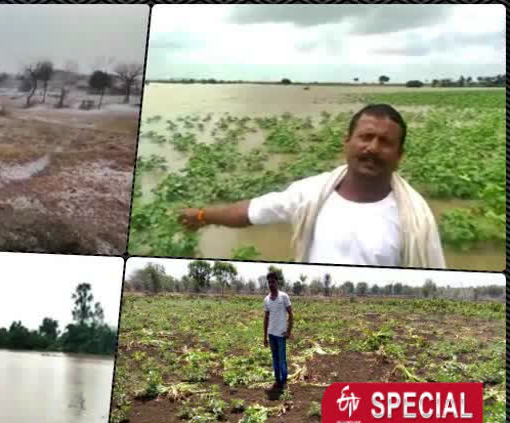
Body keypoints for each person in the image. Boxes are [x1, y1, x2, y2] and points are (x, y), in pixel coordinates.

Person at [179, 104, 446, 268]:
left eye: (385, 142)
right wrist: (203, 216)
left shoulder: (417, 221)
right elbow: (250, 212)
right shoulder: (311, 193)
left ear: (399, 155)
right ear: (347, 143)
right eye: (365, 137)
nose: (372, 148)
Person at [263, 271, 293, 390]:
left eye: (273, 282)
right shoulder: (266, 300)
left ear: (277, 282)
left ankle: (284, 382)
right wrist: (265, 336)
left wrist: (289, 331)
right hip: (271, 334)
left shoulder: (284, 297)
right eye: (269, 282)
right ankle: (277, 381)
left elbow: (291, 314)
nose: (271, 284)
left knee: (282, 359)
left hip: (281, 335)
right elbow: (266, 318)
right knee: (275, 359)